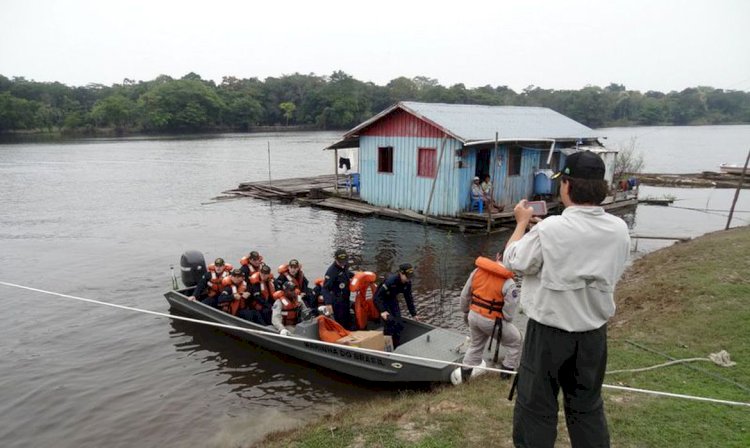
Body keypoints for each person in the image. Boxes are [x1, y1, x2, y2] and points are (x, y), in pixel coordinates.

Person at [503, 150, 630, 448]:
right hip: (592, 334)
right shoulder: (619, 229)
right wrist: (541, 235)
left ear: (568, 186)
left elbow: (513, 260)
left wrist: (522, 224)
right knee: (587, 406)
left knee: (536, 408)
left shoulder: (551, 228)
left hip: (548, 334)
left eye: (562, 182)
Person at [450, 255, 522, 385]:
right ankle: (505, 376)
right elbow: (509, 313)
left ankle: (465, 377)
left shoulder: (477, 271)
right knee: (515, 341)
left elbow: (464, 295)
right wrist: (503, 319)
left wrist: (466, 311)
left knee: (475, 345)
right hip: (492, 321)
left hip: (473, 315)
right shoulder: (509, 282)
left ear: (498, 256)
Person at [373, 263, 418, 347]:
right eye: (407, 276)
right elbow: (377, 297)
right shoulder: (390, 281)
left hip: (392, 299)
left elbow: (409, 298)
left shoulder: (407, 283)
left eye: (410, 276)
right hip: (382, 300)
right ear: (401, 273)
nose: (409, 279)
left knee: (399, 324)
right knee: (389, 323)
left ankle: (396, 346)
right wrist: (382, 311)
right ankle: (387, 348)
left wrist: (413, 313)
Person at [322, 249, 354, 329]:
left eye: (344, 261)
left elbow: (346, 273)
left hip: (346, 298)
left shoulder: (345, 265)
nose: (342, 264)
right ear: (336, 259)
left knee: (348, 320)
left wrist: (354, 276)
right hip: (337, 301)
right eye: (341, 262)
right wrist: (328, 303)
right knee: (341, 322)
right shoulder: (331, 272)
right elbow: (325, 288)